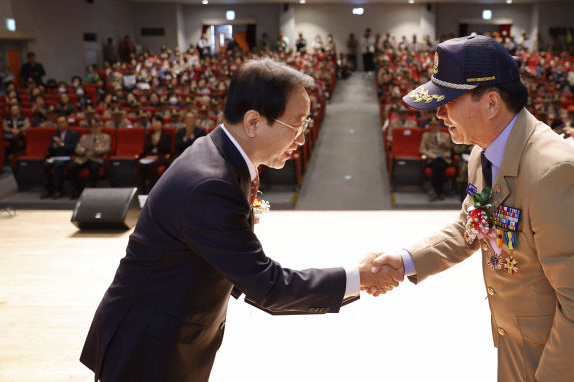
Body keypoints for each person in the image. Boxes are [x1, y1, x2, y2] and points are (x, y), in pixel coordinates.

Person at [80, 58, 403, 381]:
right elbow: (268, 286)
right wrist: (358, 276)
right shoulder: (210, 184)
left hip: (162, 336)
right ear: (253, 122)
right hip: (146, 350)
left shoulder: (220, 158)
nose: (302, 140)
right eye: (297, 126)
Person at [372, 35, 574, 381]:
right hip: (517, 341)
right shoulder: (483, 152)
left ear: (491, 103)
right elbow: (471, 228)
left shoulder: (554, 173)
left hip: (563, 358)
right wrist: (405, 261)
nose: (439, 113)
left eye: (448, 101)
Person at [67, 119, 111, 198]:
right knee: (71, 168)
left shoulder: (105, 137)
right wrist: (83, 150)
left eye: (97, 127)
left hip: (96, 159)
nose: (95, 129)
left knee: (94, 168)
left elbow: (106, 149)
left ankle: (91, 191)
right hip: (83, 159)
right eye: (93, 127)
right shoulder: (84, 137)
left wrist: (93, 150)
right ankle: (78, 189)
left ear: (100, 127)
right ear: (90, 129)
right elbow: (77, 149)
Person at [41, 115, 80, 199]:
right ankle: (47, 189)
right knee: (45, 165)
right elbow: (50, 148)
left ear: (67, 123)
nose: (61, 124)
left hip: (68, 158)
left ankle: (58, 190)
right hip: (55, 157)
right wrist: (55, 145)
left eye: (62, 122)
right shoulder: (55, 134)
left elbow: (74, 148)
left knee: (58, 166)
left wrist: (61, 145)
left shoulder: (73, 134)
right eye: (59, 123)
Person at [136, 114, 172, 194]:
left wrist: (157, 143)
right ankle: (141, 190)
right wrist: (152, 143)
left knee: (152, 165)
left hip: (161, 156)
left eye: (157, 121)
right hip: (150, 156)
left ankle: (153, 190)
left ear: (161, 123)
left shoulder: (166, 134)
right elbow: (146, 148)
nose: (155, 123)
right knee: (140, 164)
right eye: (153, 122)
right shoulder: (149, 134)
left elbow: (167, 149)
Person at [420, 115, 453, 201]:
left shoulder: (445, 135)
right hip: (432, 158)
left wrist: (445, 145)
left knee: (439, 163)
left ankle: (434, 189)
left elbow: (450, 149)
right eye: (432, 125)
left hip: (444, 157)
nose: (434, 127)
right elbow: (422, 149)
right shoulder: (426, 135)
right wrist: (431, 155)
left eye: (436, 125)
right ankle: (439, 191)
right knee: (437, 164)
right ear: (429, 126)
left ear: (439, 126)